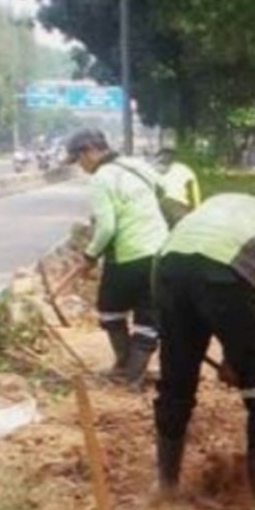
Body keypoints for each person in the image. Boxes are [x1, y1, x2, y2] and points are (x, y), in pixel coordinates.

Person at [153, 191, 255, 510]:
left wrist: (225, 355)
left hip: (168, 268)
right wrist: (240, 360)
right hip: (223, 271)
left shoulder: (227, 201)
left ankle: (166, 485)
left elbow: (170, 265)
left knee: (176, 381)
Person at [65, 128, 169, 385]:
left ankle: (125, 368)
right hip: (159, 250)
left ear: (89, 151)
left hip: (128, 255)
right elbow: (163, 189)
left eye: (79, 160)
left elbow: (107, 228)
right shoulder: (135, 165)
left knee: (110, 310)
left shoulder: (101, 178)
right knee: (148, 315)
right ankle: (134, 375)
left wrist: (90, 256)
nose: (80, 166)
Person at [157, 147, 203, 223]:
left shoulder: (182, 169)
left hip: (174, 204)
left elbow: (194, 187)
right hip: (175, 206)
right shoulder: (184, 168)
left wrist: (198, 207)